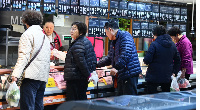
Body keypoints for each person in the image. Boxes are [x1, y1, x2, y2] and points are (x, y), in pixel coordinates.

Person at [11, 10, 50, 110]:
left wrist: (15, 75)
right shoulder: (45, 37)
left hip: (30, 78)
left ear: (25, 21)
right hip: (42, 78)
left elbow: (23, 56)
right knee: (38, 106)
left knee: (28, 107)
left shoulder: (27, 35)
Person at [97, 19, 142, 96]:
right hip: (121, 75)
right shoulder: (114, 41)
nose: (106, 35)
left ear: (110, 30)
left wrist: (116, 67)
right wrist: (96, 64)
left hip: (129, 74)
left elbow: (126, 53)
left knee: (129, 99)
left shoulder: (125, 36)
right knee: (121, 100)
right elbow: (109, 58)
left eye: (106, 32)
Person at [64, 21, 97, 101]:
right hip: (81, 79)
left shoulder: (78, 44)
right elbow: (93, 59)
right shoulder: (86, 41)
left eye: (74, 29)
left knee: (74, 103)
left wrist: (88, 75)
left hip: (76, 79)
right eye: (71, 29)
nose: (71, 31)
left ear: (81, 32)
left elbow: (81, 62)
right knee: (81, 101)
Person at [143, 25, 181, 94]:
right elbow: (178, 60)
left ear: (155, 34)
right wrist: (174, 72)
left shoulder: (154, 44)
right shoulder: (172, 45)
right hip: (167, 77)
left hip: (153, 77)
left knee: (152, 99)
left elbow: (147, 60)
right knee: (165, 98)